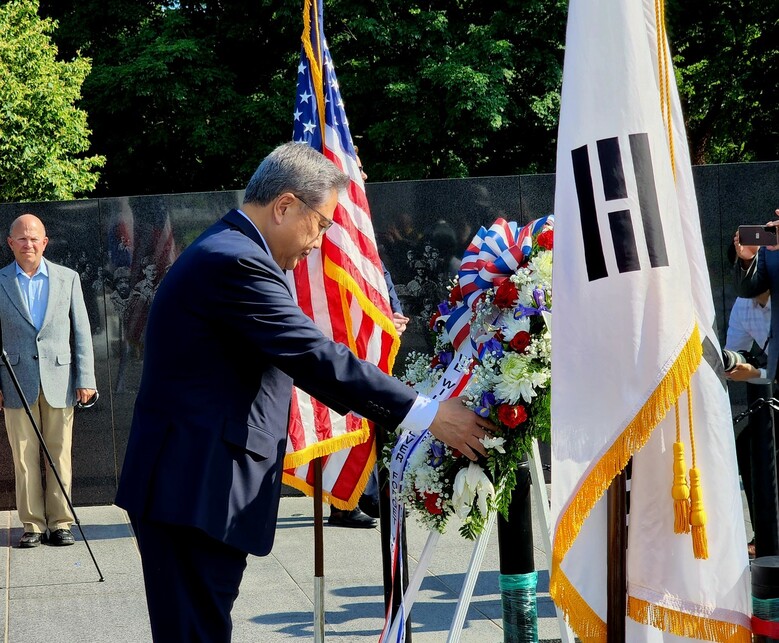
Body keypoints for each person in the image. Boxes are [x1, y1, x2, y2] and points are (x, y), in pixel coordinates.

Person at [114, 142, 494, 642]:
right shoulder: (236, 262)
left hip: (192, 487)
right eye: (321, 224)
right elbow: (314, 357)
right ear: (285, 205)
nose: (319, 242)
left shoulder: (231, 251)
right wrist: (427, 413)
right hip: (192, 491)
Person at [0, 214, 97, 548]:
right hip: (15, 381)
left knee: (59, 454)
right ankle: (33, 525)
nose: (28, 244)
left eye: (34, 238)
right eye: (21, 239)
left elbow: (81, 332)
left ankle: (61, 522)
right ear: (10, 243)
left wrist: (86, 378)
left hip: (61, 378)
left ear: (45, 242)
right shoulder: (0, 281)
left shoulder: (67, 278)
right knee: (24, 456)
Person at [328, 146, 410, 528]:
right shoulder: (333, 213)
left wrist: (389, 312)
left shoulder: (355, 214)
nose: (361, 174)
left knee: (370, 414)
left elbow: (374, 269)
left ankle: (368, 494)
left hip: (369, 330)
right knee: (352, 415)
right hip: (343, 334)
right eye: (355, 167)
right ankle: (345, 500)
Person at [723, 289, 772, 558]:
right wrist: (736, 363)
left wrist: (757, 373)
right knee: (749, 445)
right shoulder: (743, 305)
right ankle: (765, 535)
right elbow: (735, 354)